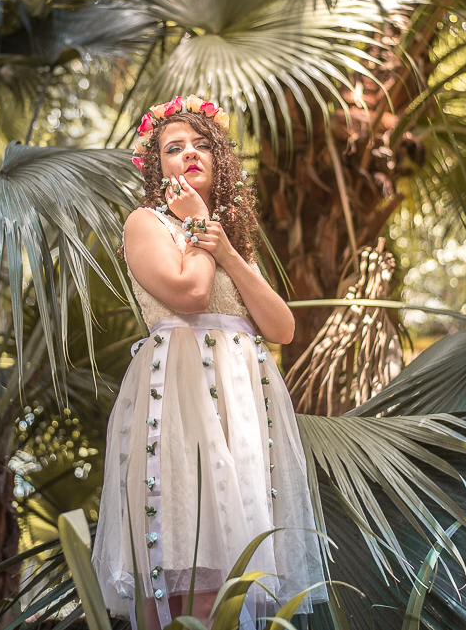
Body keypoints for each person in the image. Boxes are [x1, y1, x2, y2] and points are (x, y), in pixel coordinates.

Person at [92, 95, 327, 629]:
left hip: (238, 406)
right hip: (178, 397)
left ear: (220, 158)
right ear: (157, 167)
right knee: (186, 565)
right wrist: (197, 227)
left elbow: (281, 327)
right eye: (174, 149)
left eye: (202, 144)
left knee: (229, 573)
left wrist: (225, 250)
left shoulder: (228, 237)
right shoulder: (146, 223)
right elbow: (190, 294)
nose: (190, 154)